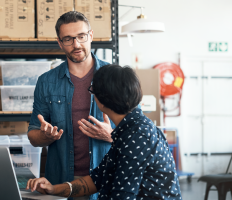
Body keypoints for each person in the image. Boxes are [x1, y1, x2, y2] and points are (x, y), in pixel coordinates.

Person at [26, 64, 182, 199]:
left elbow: (122, 195)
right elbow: (97, 179)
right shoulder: (129, 130)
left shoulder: (137, 136)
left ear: (100, 99)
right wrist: (53, 189)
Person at [27, 11, 116, 200]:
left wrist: (111, 135)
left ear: (90, 35)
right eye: (68, 39)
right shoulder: (46, 82)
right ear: (60, 43)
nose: (76, 44)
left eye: (81, 36)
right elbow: (33, 136)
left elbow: (138, 129)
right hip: (60, 181)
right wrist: (45, 136)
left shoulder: (115, 76)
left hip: (106, 178)